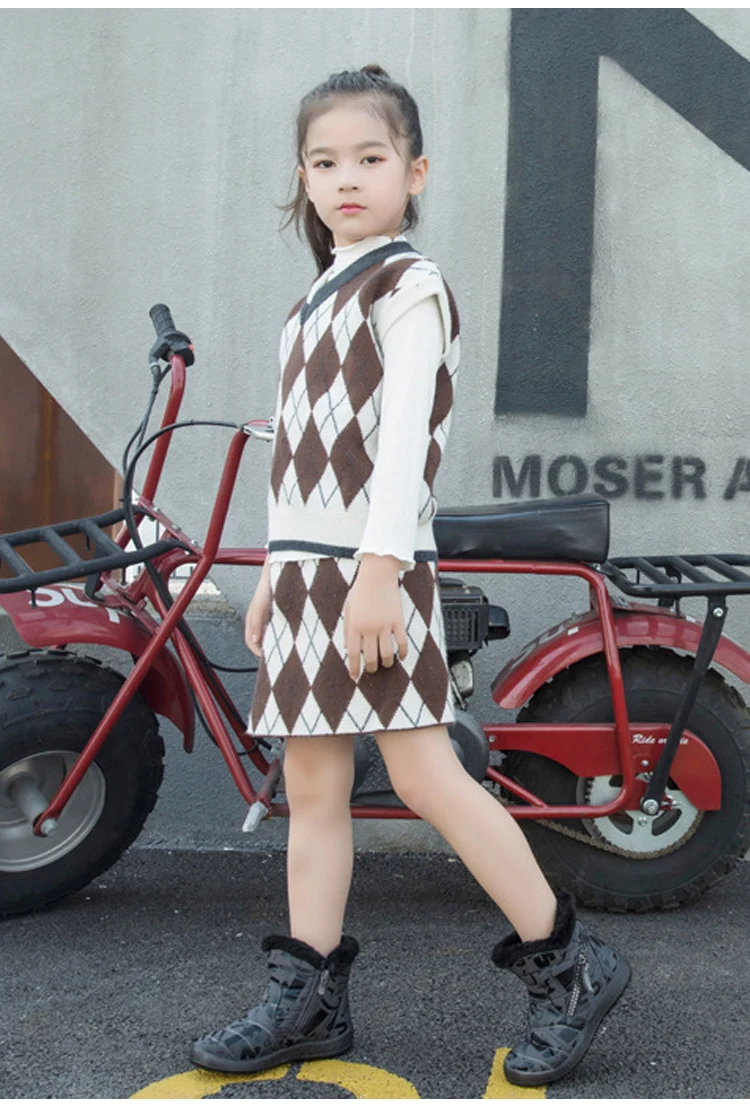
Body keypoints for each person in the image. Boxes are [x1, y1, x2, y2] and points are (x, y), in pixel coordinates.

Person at [189, 64, 631, 1088]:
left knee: (429, 775)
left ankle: (571, 963)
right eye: (323, 161)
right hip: (313, 578)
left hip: (372, 575)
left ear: (414, 172)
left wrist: (380, 573)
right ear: (303, 178)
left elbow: (401, 456)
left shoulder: (409, 286)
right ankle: (306, 995)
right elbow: (298, 454)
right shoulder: (314, 300)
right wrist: (276, 571)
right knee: (313, 784)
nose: (345, 178)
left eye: (369, 157)